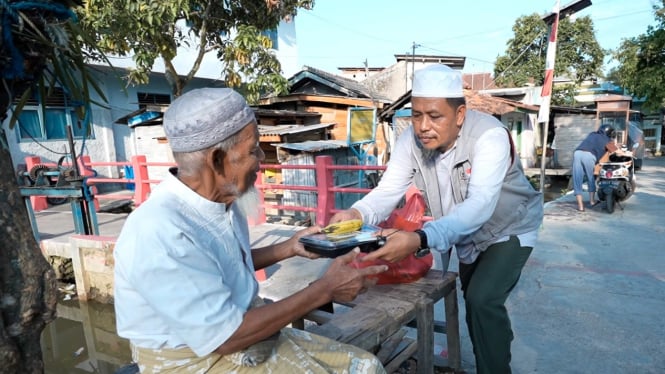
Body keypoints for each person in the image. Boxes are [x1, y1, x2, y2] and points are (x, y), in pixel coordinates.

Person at [113, 87, 388, 373]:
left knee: (366, 366)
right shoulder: (160, 230)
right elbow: (226, 337)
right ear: (217, 160)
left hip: (243, 332)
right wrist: (326, 289)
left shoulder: (222, 202)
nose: (261, 159)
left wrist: (288, 248)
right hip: (195, 360)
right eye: (252, 149)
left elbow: (222, 264)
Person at [330, 64, 544, 374]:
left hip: (509, 228)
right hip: (464, 234)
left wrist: (421, 238)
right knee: (474, 302)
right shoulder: (409, 143)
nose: (423, 126)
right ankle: (497, 343)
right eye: (416, 115)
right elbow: (389, 190)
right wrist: (356, 213)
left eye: (435, 116)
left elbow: (480, 205)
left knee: (483, 299)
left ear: (459, 115)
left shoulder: (489, 136)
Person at [572, 124, 620, 211]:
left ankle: (580, 207)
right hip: (588, 156)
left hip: (577, 153)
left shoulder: (592, 134)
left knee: (577, 179)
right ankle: (592, 201)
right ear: (610, 133)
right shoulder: (608, 140)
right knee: (591, 178)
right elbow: (617, 152)